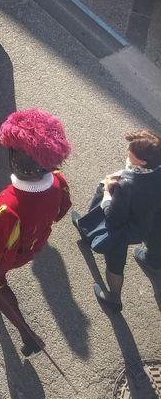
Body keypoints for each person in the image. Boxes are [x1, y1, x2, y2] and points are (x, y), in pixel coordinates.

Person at [0, 109, 72, 357]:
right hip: (32, 245)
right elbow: (61, 210)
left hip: (8, 255)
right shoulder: (58, 180)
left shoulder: (8, 209)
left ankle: (27, 334)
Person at [72, 129, 161, 311]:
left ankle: (113, 298)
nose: (127, 152)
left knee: (115, 258)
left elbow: (112, 218)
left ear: (143, 161)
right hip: (149, 221)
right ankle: (152, 260)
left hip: (125, 229)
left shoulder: (126, 185)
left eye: (131, 153)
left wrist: (107, 191)